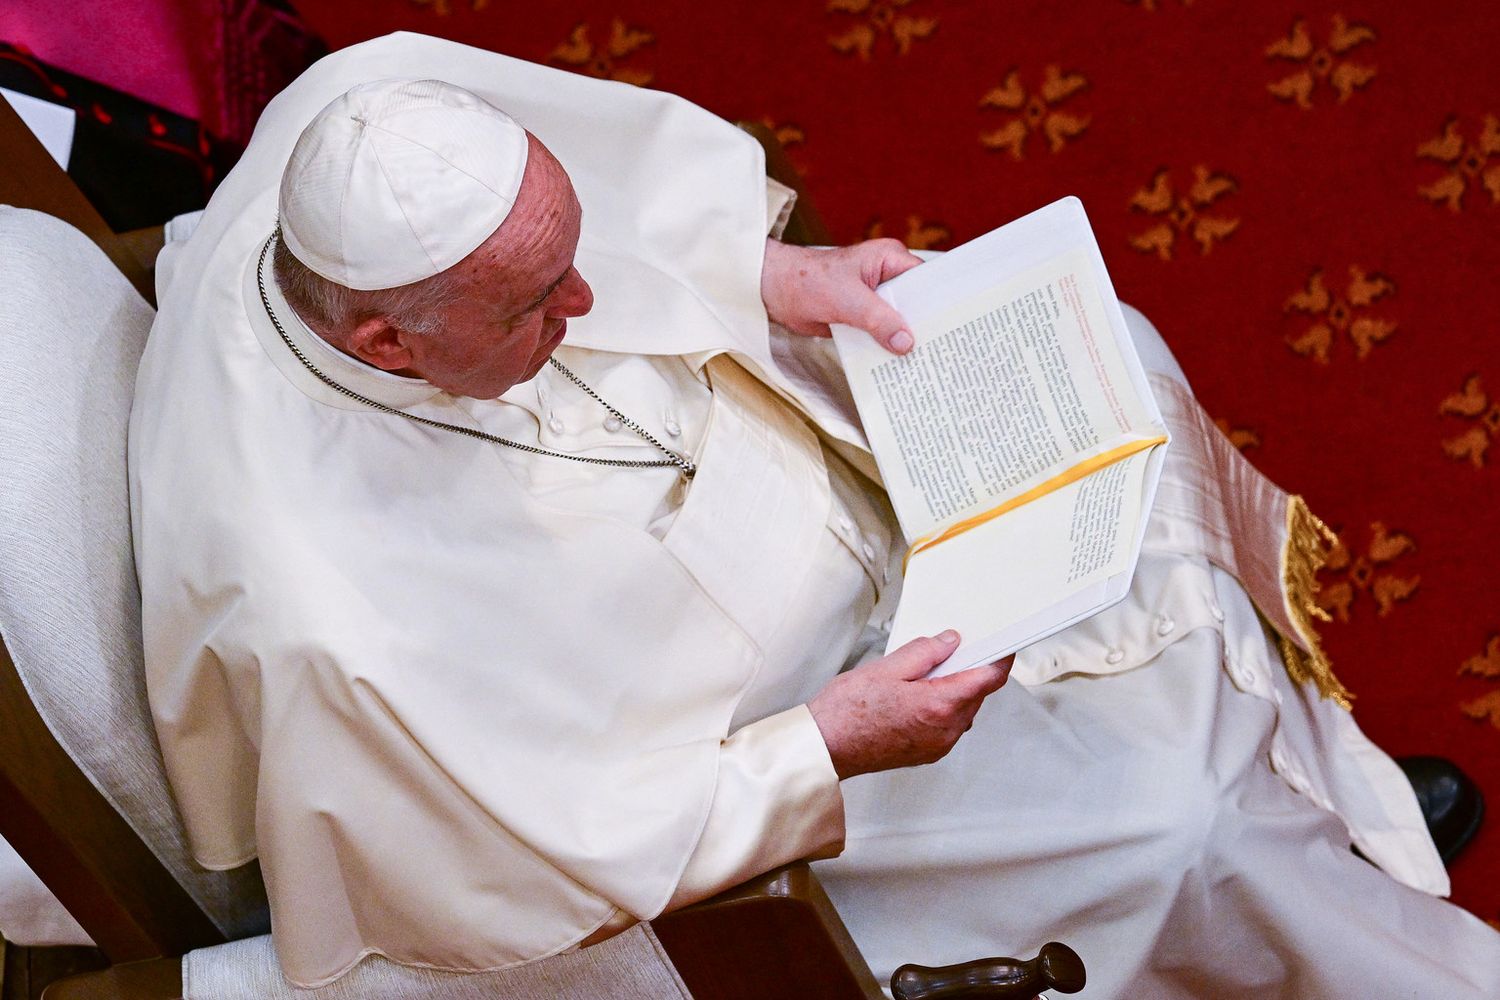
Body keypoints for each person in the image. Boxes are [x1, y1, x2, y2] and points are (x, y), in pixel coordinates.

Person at [130, 33, 1500, 998]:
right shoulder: (326, 615)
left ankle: (1325, 818)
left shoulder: (363, 110)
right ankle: (1336, 940)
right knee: (1176, 821)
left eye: (570, 257)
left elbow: (630, 200)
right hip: (764, 732)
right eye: (540, 306)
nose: (589, 306)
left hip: (788, 453)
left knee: (1111, 365)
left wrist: (772, 272)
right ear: (387, 343)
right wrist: (826, 745)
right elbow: (536, 850)